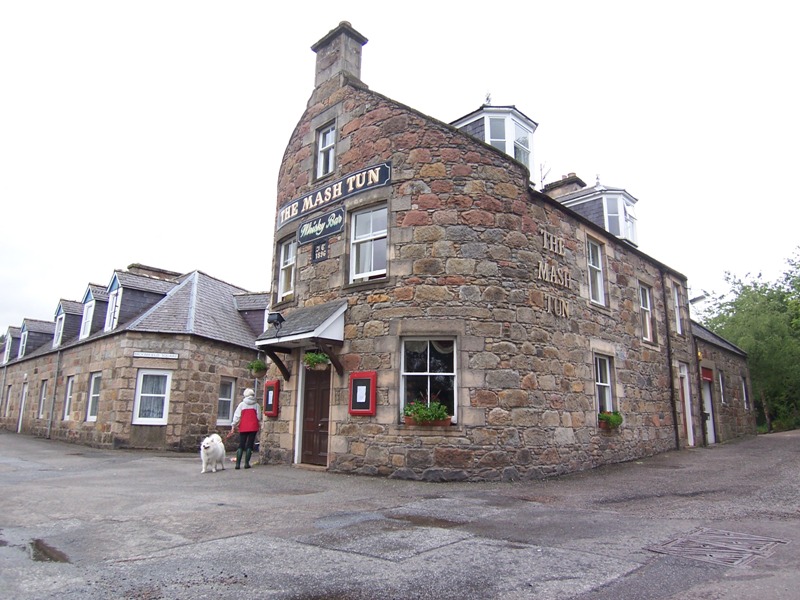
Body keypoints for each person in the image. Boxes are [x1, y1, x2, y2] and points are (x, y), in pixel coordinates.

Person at [227, 388, 261, 469]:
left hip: (243, 426)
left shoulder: (242, 405)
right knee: (250, 444)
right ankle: (246, 463)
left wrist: (233, 425)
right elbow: (259, 417)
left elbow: (237, 416)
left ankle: (237, 464)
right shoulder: (256, 405)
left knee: (241, 444)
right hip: (253, 427)